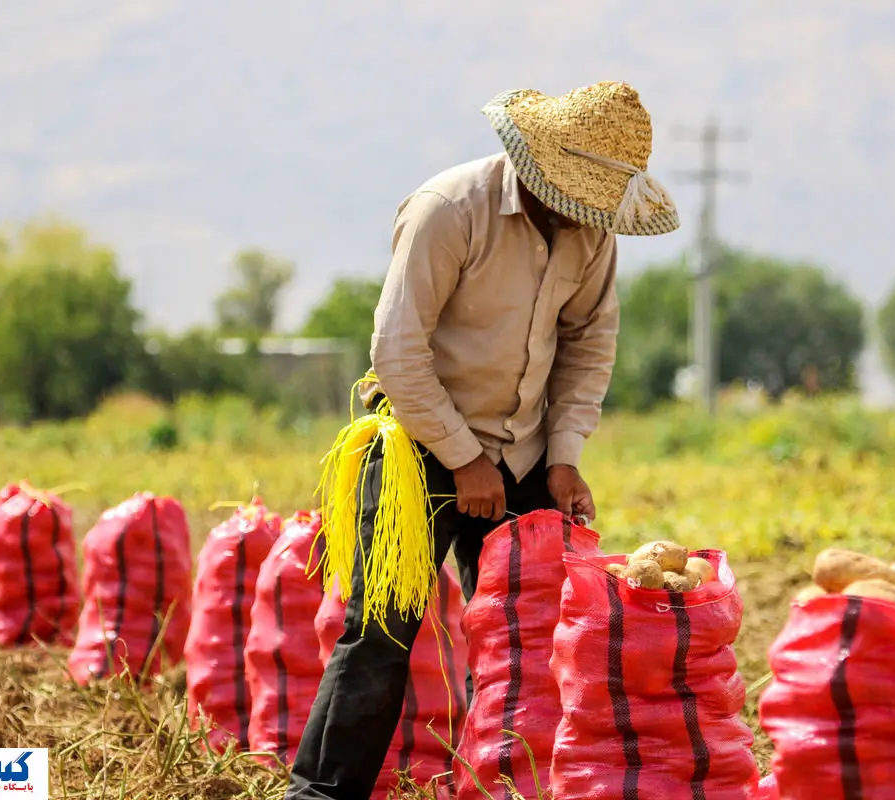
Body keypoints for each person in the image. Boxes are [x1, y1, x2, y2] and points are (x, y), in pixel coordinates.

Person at [286, 80, 680, 800]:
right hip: (416, 445)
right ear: (536, 165)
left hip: (524, 454)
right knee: (381, 632)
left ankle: (503, 787)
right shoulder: (449, 210)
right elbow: (396, 350)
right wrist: (463, 458)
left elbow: (591, 342)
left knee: (525, 641)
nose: (580, 212)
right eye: (571, 193)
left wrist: (563, 456)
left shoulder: (590, 234)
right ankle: (318, 795)